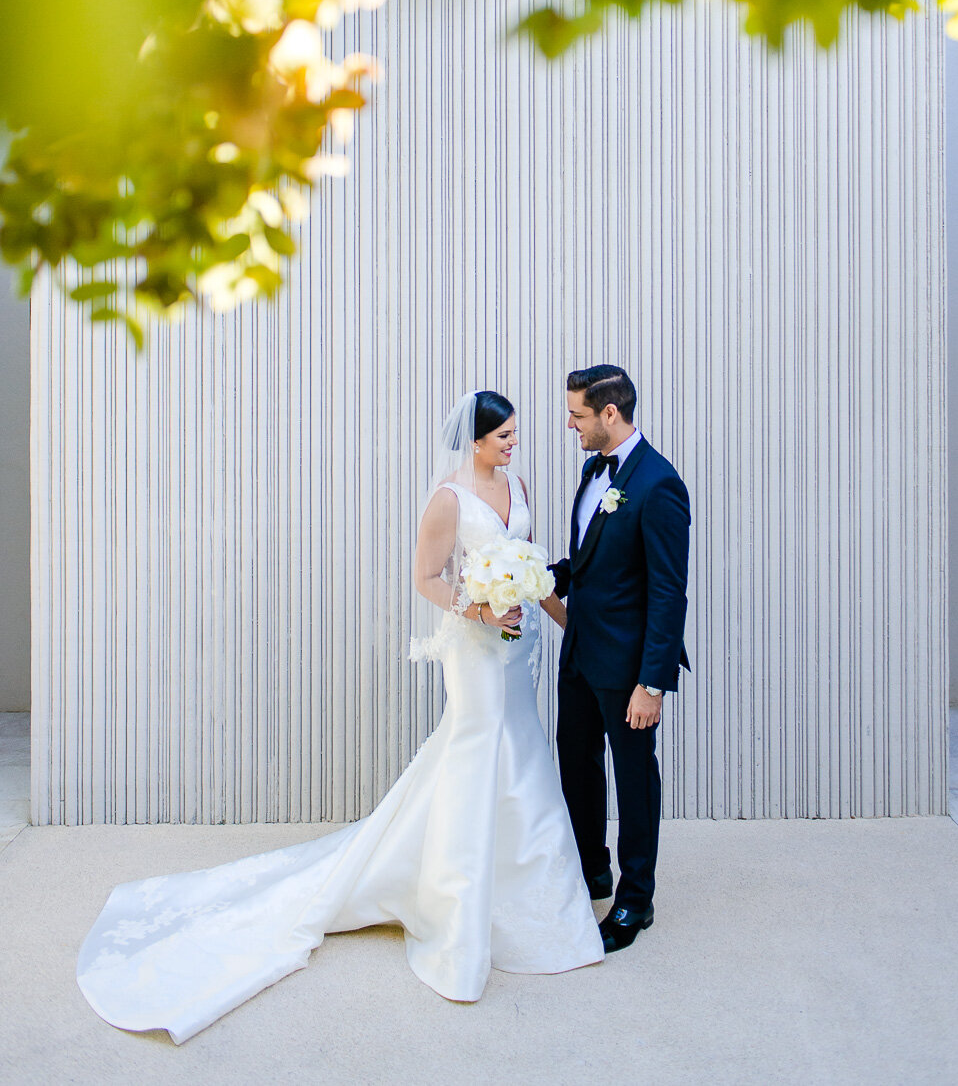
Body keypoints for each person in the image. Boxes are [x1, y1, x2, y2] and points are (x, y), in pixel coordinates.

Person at [76, 390, 603, 1043]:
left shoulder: (516, 485)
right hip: (473, 649)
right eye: (503, 439)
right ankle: (455, 916)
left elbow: (531, 566)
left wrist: (560, 619)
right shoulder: (448, 499)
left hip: (519, 648)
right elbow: (427, 578)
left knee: (522, 756)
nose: (513, 447)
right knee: (476, 753)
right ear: (474, 441)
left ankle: (533, 906)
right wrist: (480, 608)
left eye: (516, 436)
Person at [552, 365, 690, 954]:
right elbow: (589, 561)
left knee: (634, 779)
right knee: (576, 762)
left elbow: (668, 591)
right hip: (581, 652)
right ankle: (593, 869)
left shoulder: (659, 485)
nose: (570, 423)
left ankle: (636, 897)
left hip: (630, 667)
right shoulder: (594, 470)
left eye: (578, 414)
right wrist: (540, 573)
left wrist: (651, 685)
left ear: (610, 414)